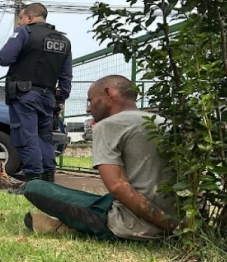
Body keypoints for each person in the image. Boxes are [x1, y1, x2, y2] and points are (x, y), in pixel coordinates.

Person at [22, 75, 180, 241]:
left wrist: (170, 226)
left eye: (90, 101)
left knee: (34, 187)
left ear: (108, 93)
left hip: (129, 226)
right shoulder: (164, 122)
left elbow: (118, 188)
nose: (89, 109)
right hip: (177, 220)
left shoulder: (108, 125)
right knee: (101, 200)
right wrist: (180, 226)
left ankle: (67, 226)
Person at [0, 2, 73, 184]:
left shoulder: (24, 32)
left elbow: (4, 58)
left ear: (30, 17)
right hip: (48, 98)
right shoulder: (64, 41)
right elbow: (66, 75)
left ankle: (33, 182)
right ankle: (48, 180)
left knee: (26, 137)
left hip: (25, 96)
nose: (20, 22)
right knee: (44, 138)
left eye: (21, 18)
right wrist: (60, 99)